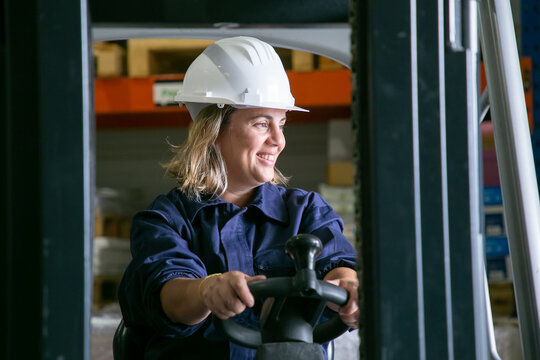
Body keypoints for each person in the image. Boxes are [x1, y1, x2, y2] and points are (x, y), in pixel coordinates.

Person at [118, 36, 358, 360]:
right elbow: (167, 292)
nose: (278, 140)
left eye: (282, 124)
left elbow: (338, 266)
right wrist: (205, 290)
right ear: (213, 132)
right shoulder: (167, 220)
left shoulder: (306, 212)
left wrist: (348, 286)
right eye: (262, 123)